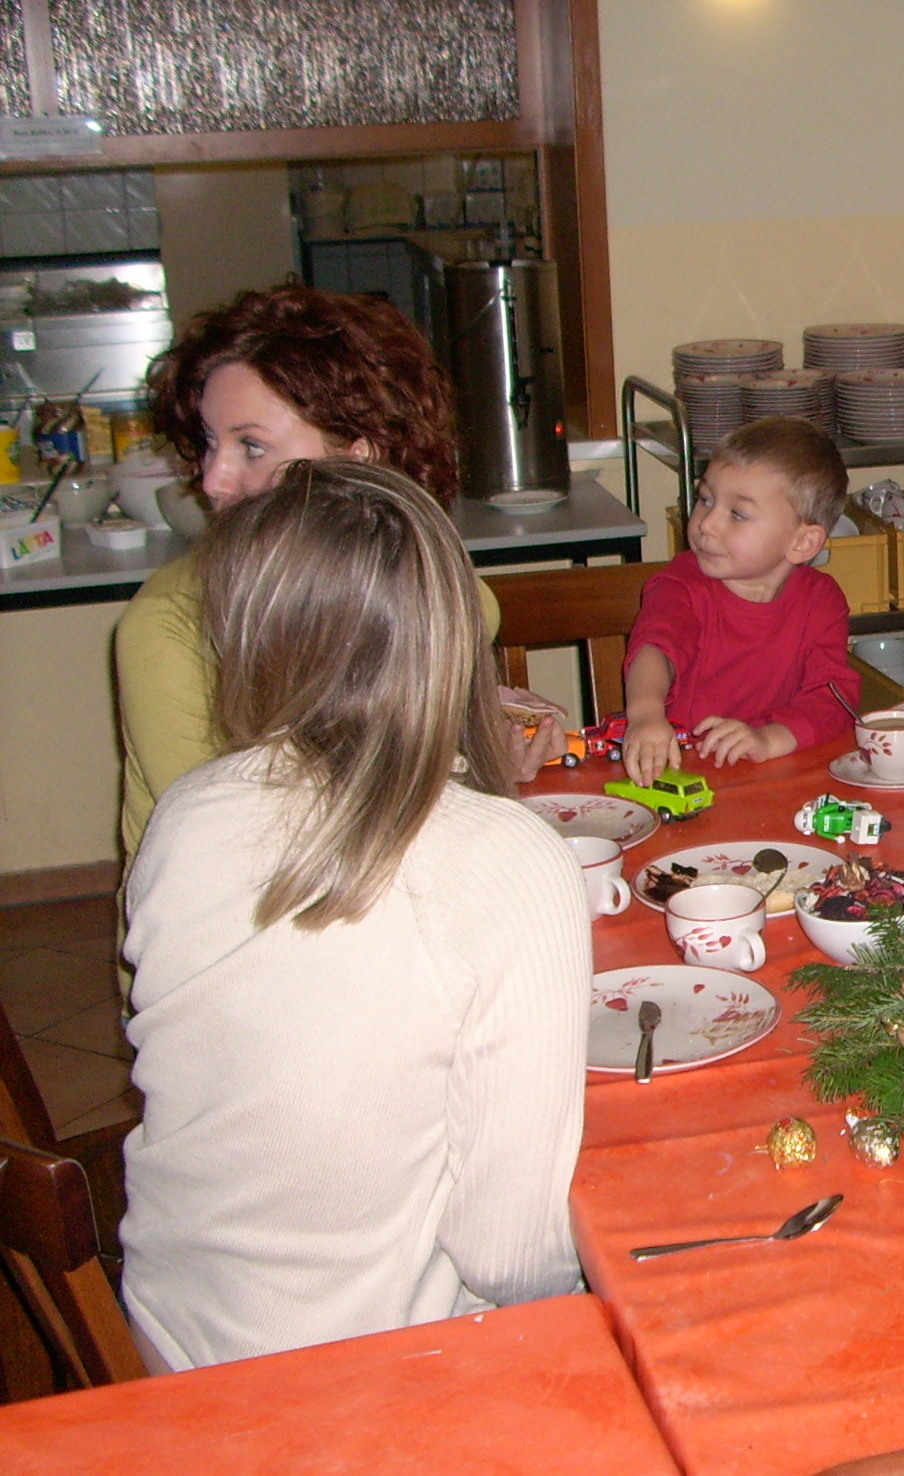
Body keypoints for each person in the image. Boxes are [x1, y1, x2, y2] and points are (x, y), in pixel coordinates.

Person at [120, 460, 588, 1372]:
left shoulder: (188, 811)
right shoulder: (505, 857)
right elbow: (510, 1259)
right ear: (454, 630)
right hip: (365, 1381)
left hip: (175, 1342)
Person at [115, 284, 560, 867]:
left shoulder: (447, 595)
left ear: (359, 456)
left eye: (251, 446)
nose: (212, 481)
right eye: (209, 442)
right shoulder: (169, 627)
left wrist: (485, 742)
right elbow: (234, 851)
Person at [622, 415, 859, 781]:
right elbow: (656, 647)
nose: (706, 524)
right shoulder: (681, 584)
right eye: (705, 500)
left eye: (737, 514)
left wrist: (768, 739)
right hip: (676, 769)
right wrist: (645, 714)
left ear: (802, 542)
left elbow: (833, 698)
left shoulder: (821, 600)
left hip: (768, 778)